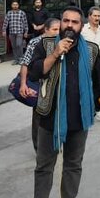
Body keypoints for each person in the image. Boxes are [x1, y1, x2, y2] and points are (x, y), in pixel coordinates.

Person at [28, 6, 100, 198]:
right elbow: (34, 73)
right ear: (60, 23)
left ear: (80, 26)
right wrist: (56, 53)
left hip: (79, 118)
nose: (69, 25)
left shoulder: (92, 50)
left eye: (74, 22)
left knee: (73, 165)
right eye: (65, 21)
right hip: (49, 116)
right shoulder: (45, 45)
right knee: (43, 167)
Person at [19, 18, 61, 152]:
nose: (57, 32)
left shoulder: (61, 42)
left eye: (59, 29)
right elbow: (25, 64)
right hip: (39, 85)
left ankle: (56, 144)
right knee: (39, 117)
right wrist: (23, 84)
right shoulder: (36, 42)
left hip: (56, 85)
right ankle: (39, 148)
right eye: (55, 29)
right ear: (46, 30)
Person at [2, 0, 29, 65]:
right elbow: (5, 22)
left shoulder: (22, 13)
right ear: (11, 6)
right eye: (13, 4)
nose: (15, 6)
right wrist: (4, 30)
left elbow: (25, 23)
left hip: (20, 32)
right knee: (14, 46)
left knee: (19, 45)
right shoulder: (9, 13)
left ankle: (21, 59)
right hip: (11, 32)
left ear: (18, 5)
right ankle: (16, 59)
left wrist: (26, 32)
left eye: (16, 4)